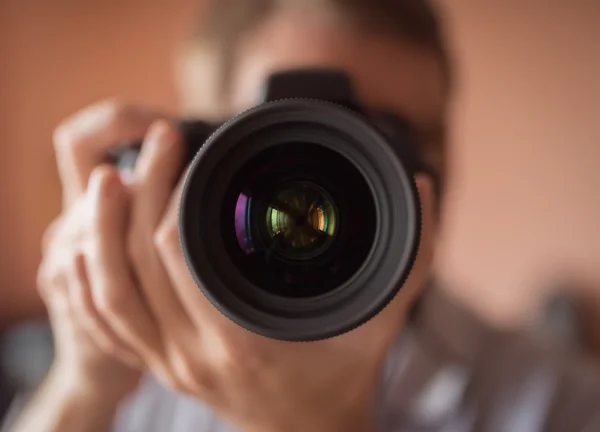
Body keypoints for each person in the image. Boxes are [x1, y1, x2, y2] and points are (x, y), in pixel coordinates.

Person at [9, 1, 600, 431]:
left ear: (447, 160)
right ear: (195, 160)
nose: (350, 182)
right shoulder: (143, 359)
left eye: (392, 141)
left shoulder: (558, 402)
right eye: (291, 134)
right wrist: (82, 388)